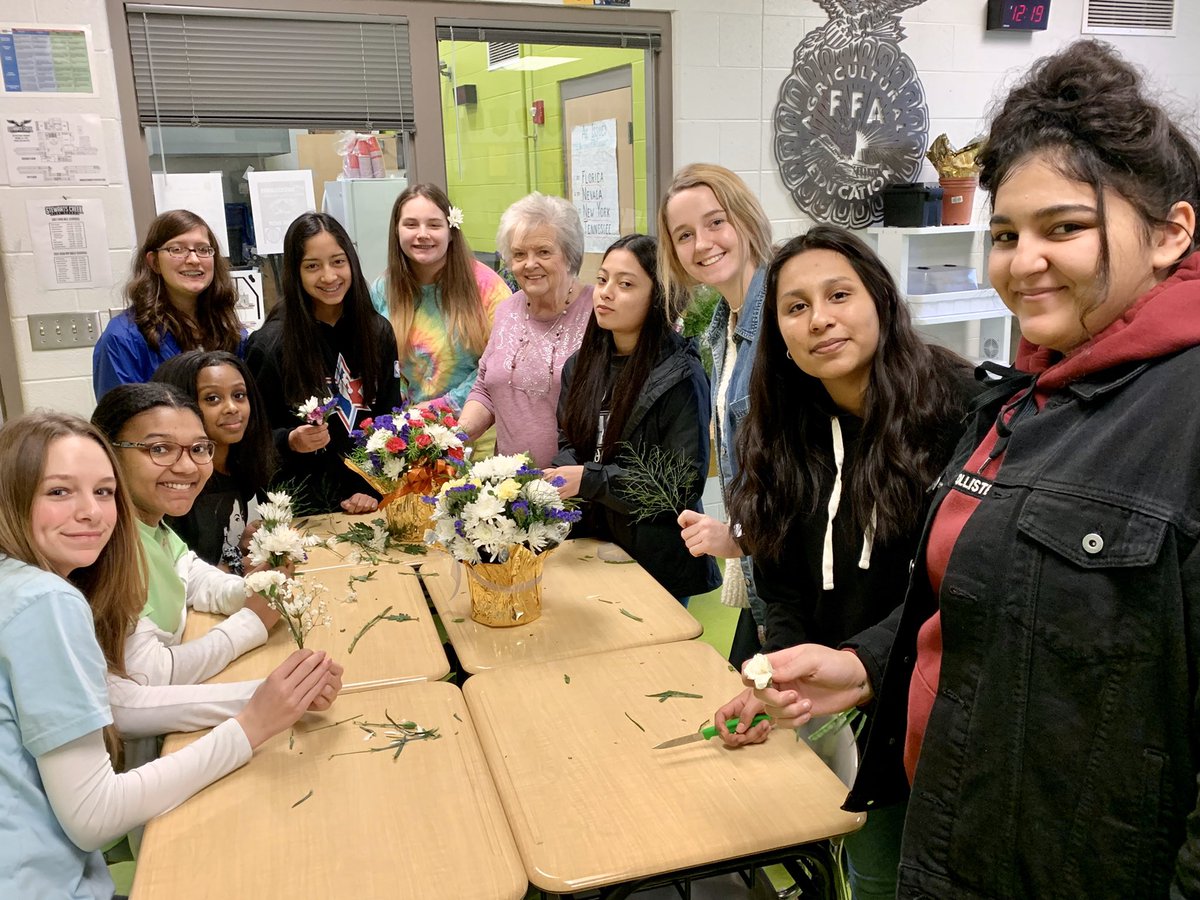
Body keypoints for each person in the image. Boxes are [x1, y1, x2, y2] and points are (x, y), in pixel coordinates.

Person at [736, 41, 1200, 899]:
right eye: (1006, 235)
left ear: (1172, 232)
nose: (1024, 262)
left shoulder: (1153, 405)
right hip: (960, 832)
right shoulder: (1027, 401)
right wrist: (858, 666)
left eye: (1066, 227)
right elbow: (964, 612)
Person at [711, 227, 976, 900]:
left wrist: (867, 664)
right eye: (794, 307)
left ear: (881, 301)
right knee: (873, 869)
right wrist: (789, 672)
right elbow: (779, 572)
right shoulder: (779, 429)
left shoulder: (962, 410)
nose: (819, 319)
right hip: (849, 705)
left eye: (838, 295)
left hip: (943, 704)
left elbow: (968, 583)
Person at [0, 411, 340, 899]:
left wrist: (271, 699)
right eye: (58, 492)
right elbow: (95, 815)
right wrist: (252, 725)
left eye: (102, 491)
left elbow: (112, 700)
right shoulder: (45, 601)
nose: (92, 512)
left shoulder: (23, 584)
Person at [548, 234, 720, 604]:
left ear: (658, 298)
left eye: (625, 284)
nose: (605, 293)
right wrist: (559, 478)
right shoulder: (579, 367)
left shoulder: (681, 374)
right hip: (590, 547)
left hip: (656, 559)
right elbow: (569, 444)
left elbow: (678, 486)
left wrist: (590, 480)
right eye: (603, 280)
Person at [91, 384, 282, 712]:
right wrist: (251, 622)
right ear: (107, 453)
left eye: (198, 448)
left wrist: (253, 590)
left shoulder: (150, 524)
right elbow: (147, 675)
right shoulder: (106, 545)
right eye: (160, 449)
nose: (187, 467)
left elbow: (191, 574)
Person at [659, 164, 772, 666]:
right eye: (684, 234)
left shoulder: (779, 320)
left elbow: (809, 466)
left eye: (715, 222)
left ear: (744, 220)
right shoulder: (723, 330)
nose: (702, 243)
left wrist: (741, 537)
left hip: (796, 574)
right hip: (762, 572)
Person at [245, 212, 404, 514]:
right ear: (295, 273)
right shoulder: (269, 345)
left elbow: (389, 417)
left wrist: (371, 489)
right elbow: (253, 436)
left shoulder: (377, 332)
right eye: (312, 266)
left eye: (338, 261)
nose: (329, 276)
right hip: (299, 511)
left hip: (367, 503)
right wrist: (289, 441)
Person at [458, 193, 593, 468]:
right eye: (519, 254)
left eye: (543, 252)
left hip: (578, 492)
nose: (529, 264)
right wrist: (455, 436)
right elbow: (486, 387)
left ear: (569, 254)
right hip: (512, 492)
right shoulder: (507, 309)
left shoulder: (598, 312)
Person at [370, 183, 511, 413]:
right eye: (411, 224)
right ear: (396, 230)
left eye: (434, 225)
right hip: (413, 435)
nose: (422, 234)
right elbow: (382, 366)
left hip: (478, 428)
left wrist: (441, 407)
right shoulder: (383, 290)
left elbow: (500, 364)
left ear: (451, 231)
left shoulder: (487, 288)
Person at [94, 210, 244, 400]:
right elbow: (121, 420)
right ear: (154, 262)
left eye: (203, 249)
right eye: (177, 249)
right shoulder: (123, 339)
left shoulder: (228, 329)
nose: (194, 259)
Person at [152, 350, 277, 573]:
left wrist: (240, 545)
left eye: (239, 395)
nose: (232, 407)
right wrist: (236, 568)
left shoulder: (243, 466)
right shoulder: (172, 484)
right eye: (212, 398)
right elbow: (174, 579)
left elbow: (213, 554)